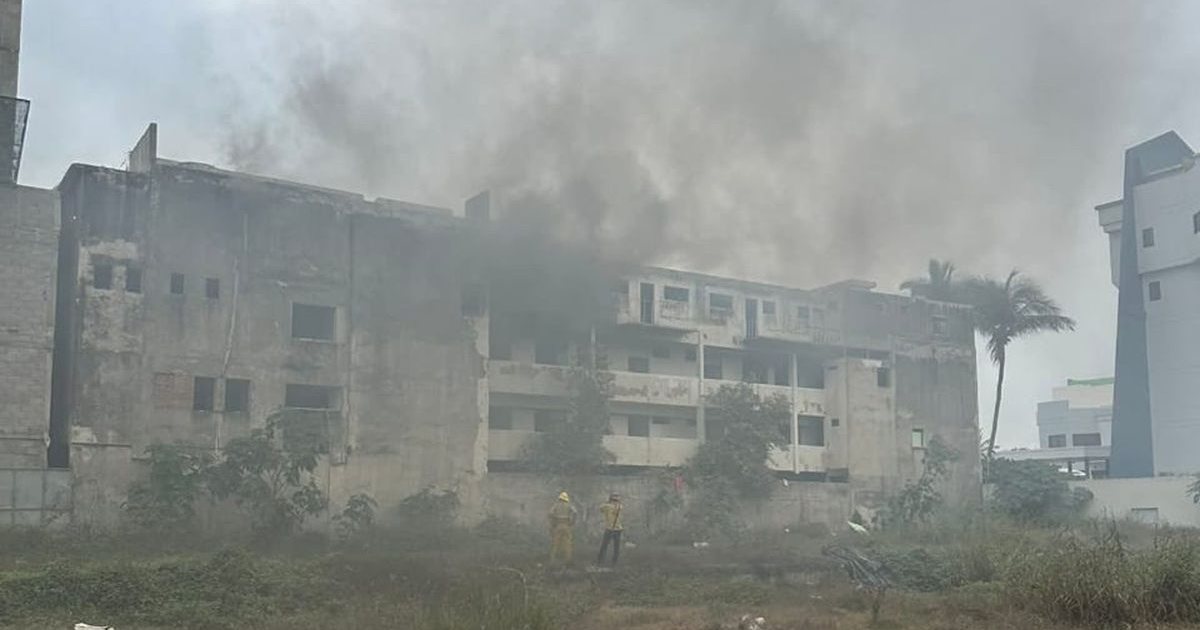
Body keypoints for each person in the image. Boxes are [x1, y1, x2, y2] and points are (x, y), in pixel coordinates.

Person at [548, 491, 577, 564]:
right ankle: (568, 559)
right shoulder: (569, 505)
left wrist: (553, 523)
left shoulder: (556, 505)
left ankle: (552, 559)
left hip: (558, 525)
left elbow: (550, 513)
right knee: (567, 543)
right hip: (566, 525)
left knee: (555, 543)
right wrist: (572, 522)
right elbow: (575, 512)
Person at [597, 492, 623, 566]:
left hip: (609, 528)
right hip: (618, 529)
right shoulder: (620, 507)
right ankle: (614, 562)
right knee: (616, 547)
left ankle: (600, 561)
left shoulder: (607, 506)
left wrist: (607, 502)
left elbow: (600, 508)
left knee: (604, 545)